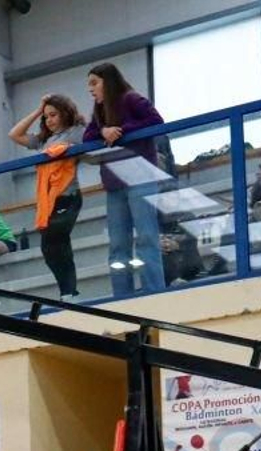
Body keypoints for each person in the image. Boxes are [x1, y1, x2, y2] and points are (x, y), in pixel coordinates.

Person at [83, 62, 166, 297]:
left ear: (107, 82)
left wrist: (120, 130)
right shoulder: (99, 112)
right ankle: (122, 295)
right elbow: (87, 136)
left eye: (94, 83)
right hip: (115, 184)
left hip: (140, 179)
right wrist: (103, 132)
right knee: (118, 244)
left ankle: (154, 290)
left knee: (146, 236)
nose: (91, 89)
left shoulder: (131, 99)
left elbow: (156, 121)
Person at [11, 94, 87, 297]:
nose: (49, 120)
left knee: (55, 243)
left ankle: (69, 292)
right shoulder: (44, 139)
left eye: (53, 115)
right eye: (46, 117)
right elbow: (15, 134)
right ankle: (69, 293)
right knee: (52, 247)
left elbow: (91, 151)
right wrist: (38, 110)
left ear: (65, 112)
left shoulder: (76, 131)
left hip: (68, 196)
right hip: (49, 201)